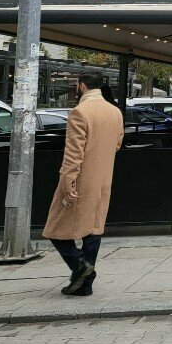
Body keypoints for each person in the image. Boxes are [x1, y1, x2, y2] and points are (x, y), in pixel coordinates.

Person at [42, 69, 124, 297]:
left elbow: (73, 152)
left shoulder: (80, 112)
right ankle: (84, 284)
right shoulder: (115, 112)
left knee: (55, 229)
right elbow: (117, 144)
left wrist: (68, 182)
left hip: (80, 180)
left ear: (81, 86)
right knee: (93, 230)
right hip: (104, 179)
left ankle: (81, 267)